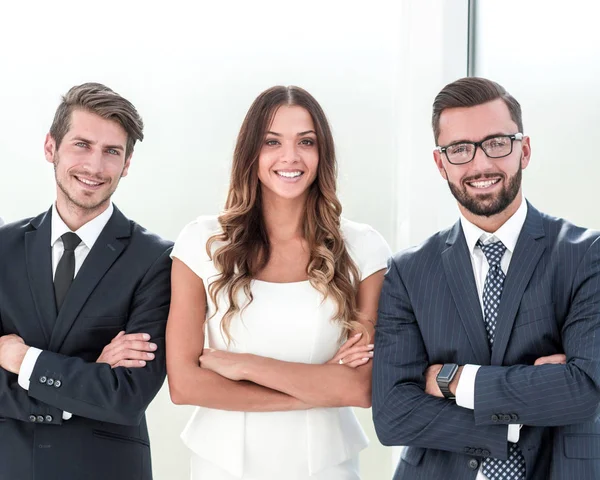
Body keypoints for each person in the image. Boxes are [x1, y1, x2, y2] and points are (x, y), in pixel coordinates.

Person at [372, 77, 600, 480]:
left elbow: (584, 391)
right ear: (440, 163)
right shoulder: (409, 272)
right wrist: (520, 412)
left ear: (523, 150)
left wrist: (453, 379)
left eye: (496, 143)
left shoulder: (584, 255)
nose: (480, 164)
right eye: (460, 149)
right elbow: (393, 415)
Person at [166, 85, 391, 480]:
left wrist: (242, 365)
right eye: (272, 141)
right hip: (221, 464)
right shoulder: (202, 244)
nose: (290, 157)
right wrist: (318, 385)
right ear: (251, 153)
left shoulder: (363, 249)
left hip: (326, 465)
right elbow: (184, 385)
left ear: (323, 155)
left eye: (306, 141)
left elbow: (359, 387)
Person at [0, 83, 172, 480]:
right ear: (51, 148)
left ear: (127, 163)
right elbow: (104, 389)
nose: (95, 166)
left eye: (112, 151)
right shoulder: (3, 249)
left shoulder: (157, 260)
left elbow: (126, 396)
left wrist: (21, 358)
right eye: (82, 145)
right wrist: (87, 378)